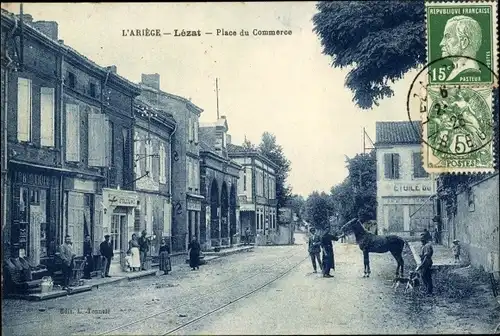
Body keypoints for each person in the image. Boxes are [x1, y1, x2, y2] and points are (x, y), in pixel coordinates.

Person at [439, 15, 482, 81]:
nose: (441, 43)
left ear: (464, 42)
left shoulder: (469, 72)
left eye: (448, 37)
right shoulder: (457, 72)